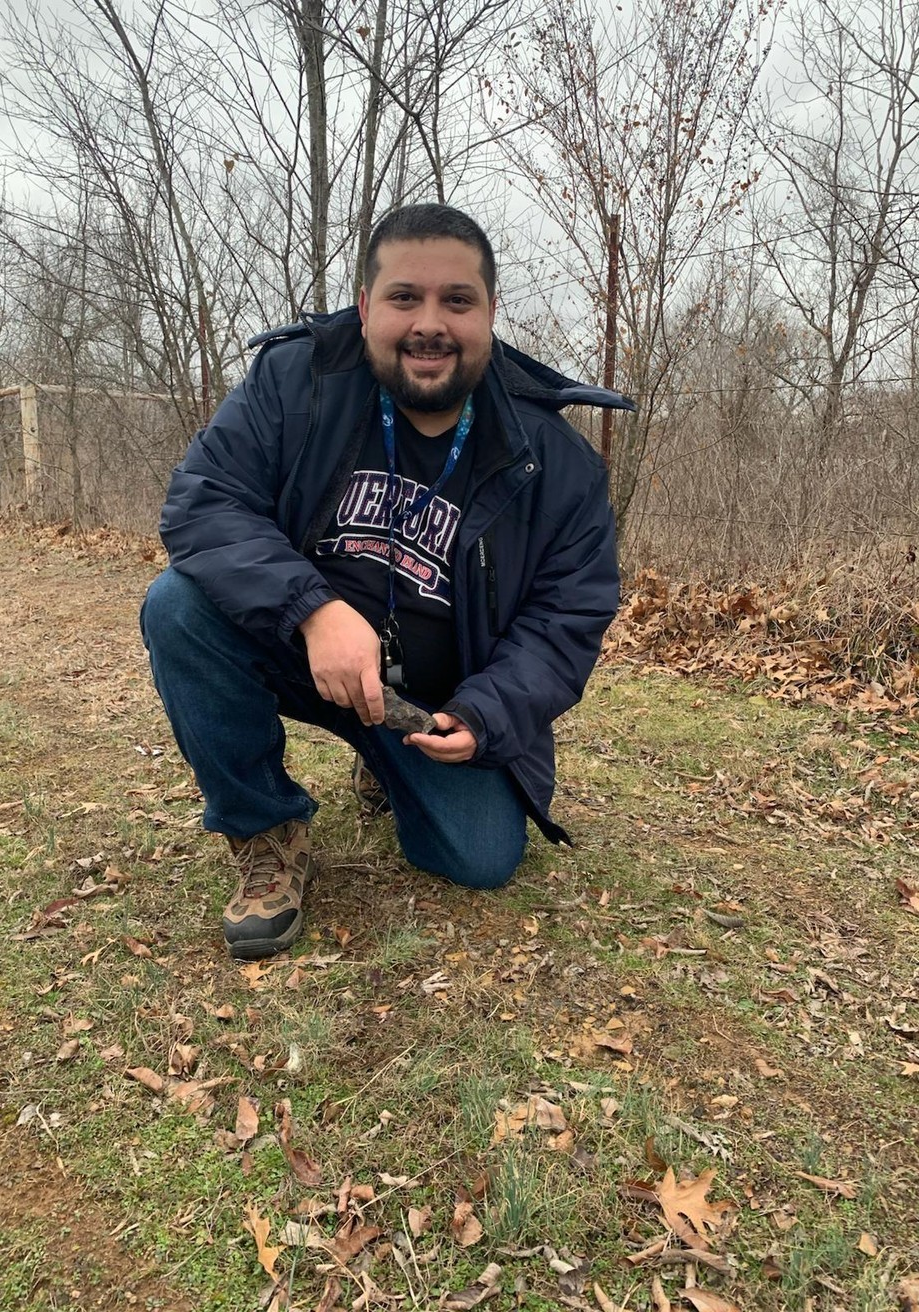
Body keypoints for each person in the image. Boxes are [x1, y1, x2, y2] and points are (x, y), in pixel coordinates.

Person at [140, 203, 632, 961]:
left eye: (456, 300)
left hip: (429, 706)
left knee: (479, 860)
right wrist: (313, 610)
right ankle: (265, 827)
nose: (428, 323)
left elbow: (567, 619)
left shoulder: (557, 463)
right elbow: (205, 501)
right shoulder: (296, 380)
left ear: (490, 313)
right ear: (367, 306)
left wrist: (485, 712)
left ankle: (384, 762)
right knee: (177, 605)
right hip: (306, 653)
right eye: (405, 297)